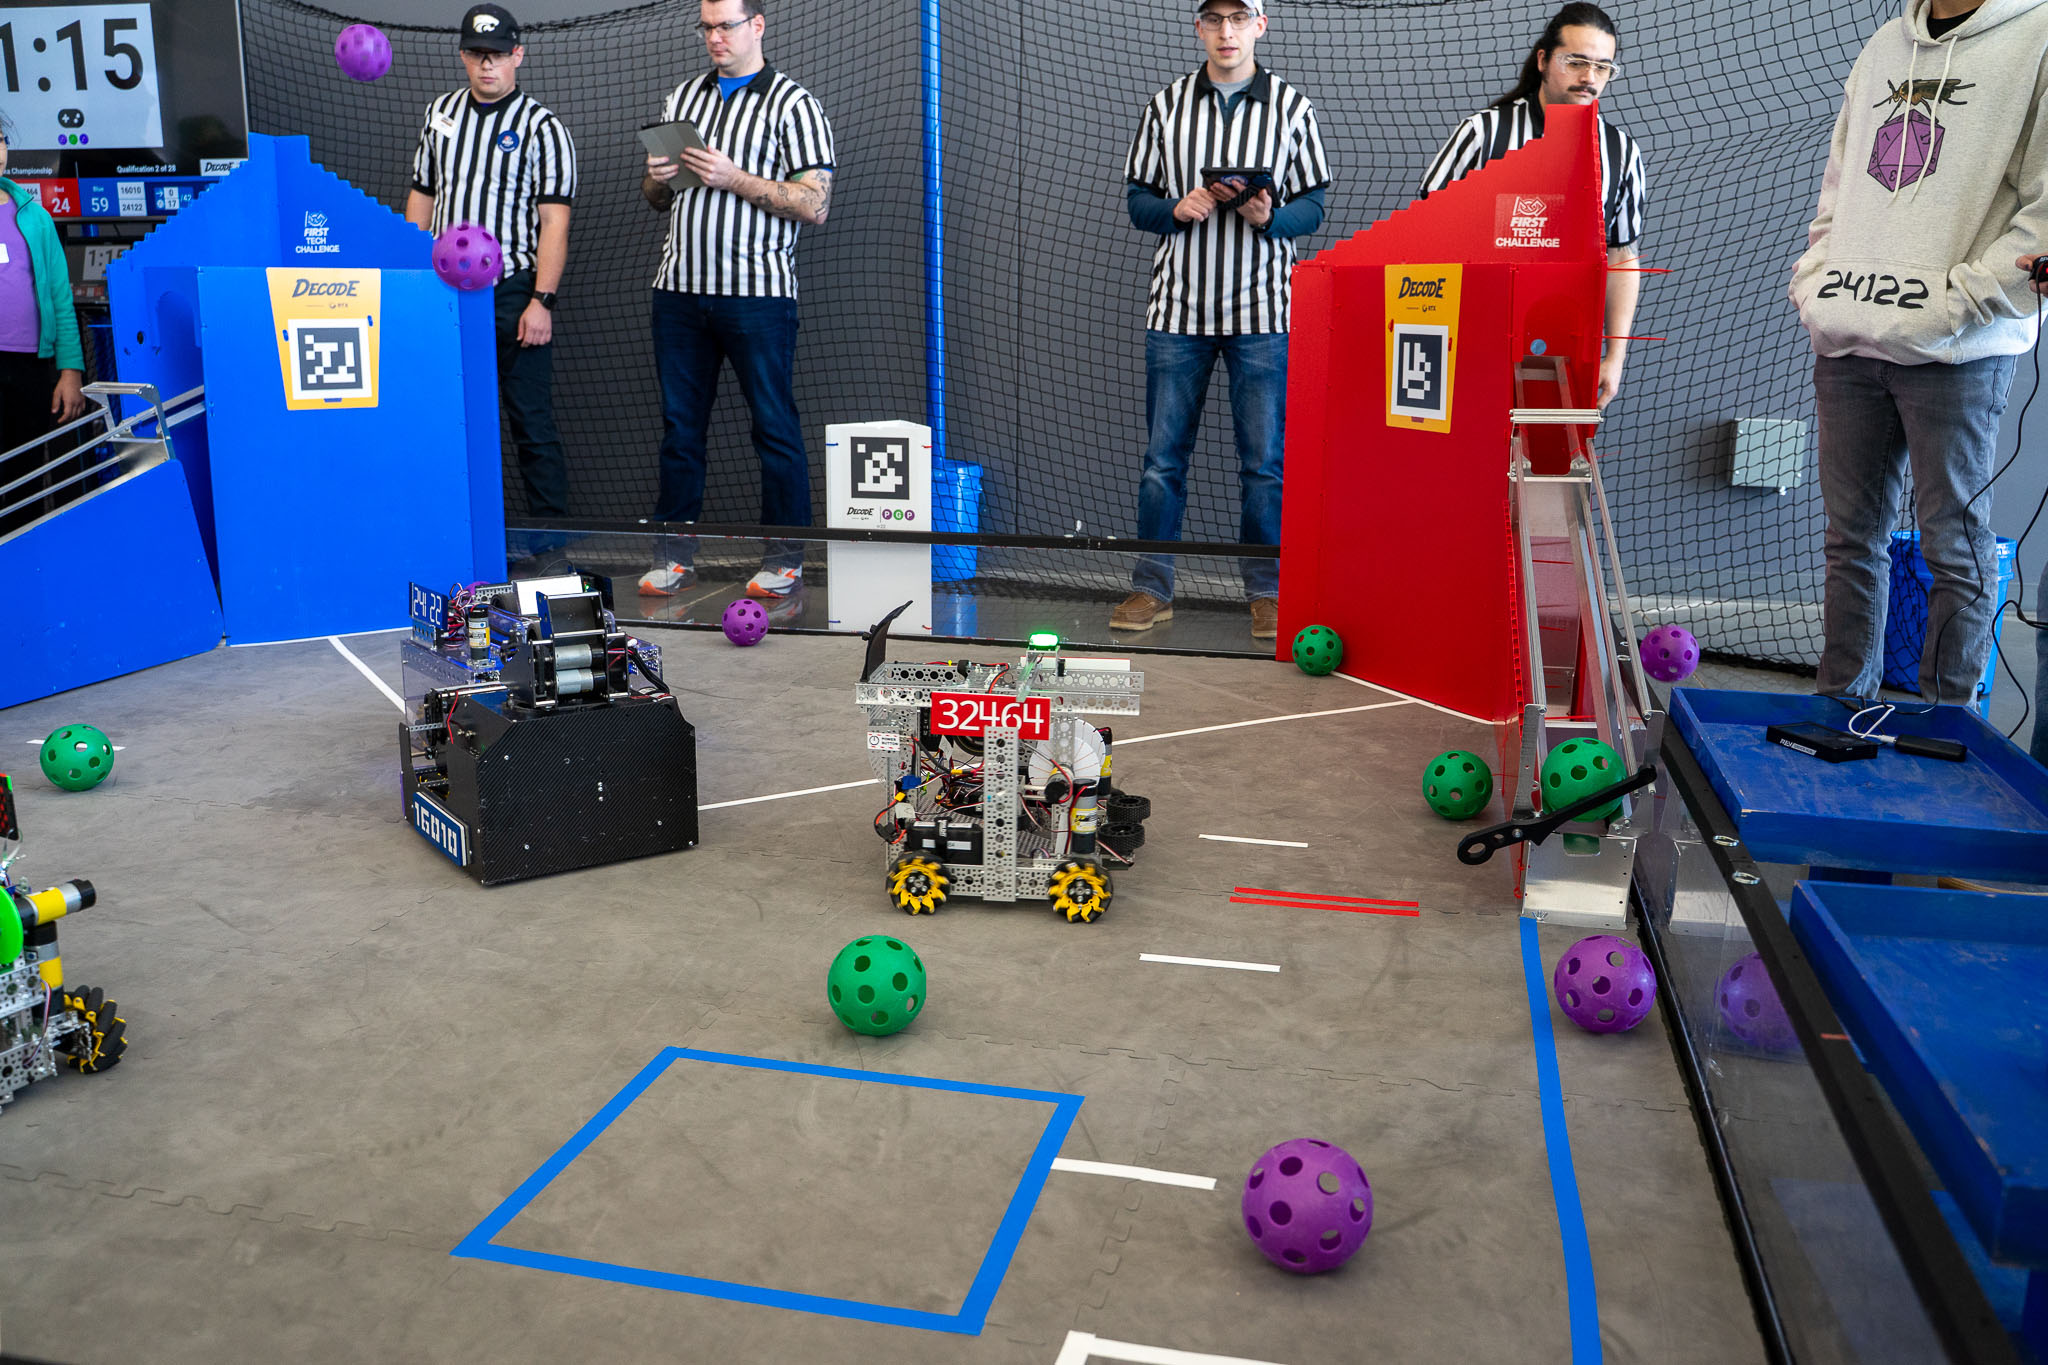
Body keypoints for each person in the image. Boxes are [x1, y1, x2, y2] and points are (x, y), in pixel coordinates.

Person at [1794, 0, 2048, 707]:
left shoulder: (2039, 35)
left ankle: (1948, 721)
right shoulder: (1884, 44)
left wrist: (1956, 302)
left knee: (1953, 548)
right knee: (1851, 542)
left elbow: (2042, 208)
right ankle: (1840, 707)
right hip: (1849, 337)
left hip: (1958, 352)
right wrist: (1818, 287)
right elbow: (1839, 185)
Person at [1112, 0, 1330, 640]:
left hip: (1264, 311)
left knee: (1265, 463)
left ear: (1261, 24)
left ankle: (1266, 592)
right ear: (1199, 26)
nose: (1227, 31)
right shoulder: (1165, 105)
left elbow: (1314, 202)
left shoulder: (1292, 106)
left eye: (1240, 19)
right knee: (1161, 460)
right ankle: (1153, 587)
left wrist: (1272, 219)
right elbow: (1137, 201)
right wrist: (1176, 209)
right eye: (1215, 19)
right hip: (1177, 310)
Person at [637, 0, 835, 601]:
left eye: (726, 25)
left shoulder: (794, 104)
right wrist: (656, 175)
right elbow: (656, 198)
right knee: (679, 430)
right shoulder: (683, 97)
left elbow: (814, 204)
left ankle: (785, 561)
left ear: (757, 26)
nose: (715, 37)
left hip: (757, 297)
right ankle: (674, 558)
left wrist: (735, 178)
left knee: (773, 427)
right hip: (678, 293)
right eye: (707, 27)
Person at [405, 3, 578, 569]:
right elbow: (422, 196)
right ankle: (451, 539)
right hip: (443, 296)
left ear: (517, 56)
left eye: (498, 55)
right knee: (445, 414)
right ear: (463, 55)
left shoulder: (543, 128)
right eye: (478, 55)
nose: (487, 66)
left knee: (530, 420)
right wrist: (410, 276)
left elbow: (554, 219)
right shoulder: (440, 113)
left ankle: (552, 549)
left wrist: (541, 300)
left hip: (511, 291)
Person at [1419, 2, 1646, 411]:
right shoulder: (1484, 134)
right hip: (1468, 344)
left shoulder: (1622, 152)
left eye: (1602, 67)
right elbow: (1420, 236)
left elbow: (1621, 257)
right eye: (1576, 62)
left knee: (1544, 466)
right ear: (1543, 60)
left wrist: (1615, 355)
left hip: (1566, 349)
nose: (1588, 78)